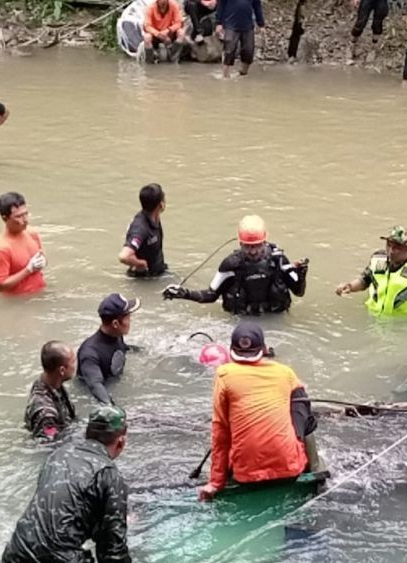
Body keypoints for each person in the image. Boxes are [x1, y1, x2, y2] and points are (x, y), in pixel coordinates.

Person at [198, 322, 322, 501]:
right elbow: (302, 411)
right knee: (302, 407)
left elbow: (220, 432)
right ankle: (315, 469)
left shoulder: (223, 374)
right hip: (291, 469)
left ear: (231, 350)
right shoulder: (285, 372)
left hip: (246, 476)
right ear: (264, 349)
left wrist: (216, 483)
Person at [2, 405, 131, 562]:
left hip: (16, 552)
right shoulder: (109, 474)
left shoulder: (57, 456)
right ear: (121, 441)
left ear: (86, 433)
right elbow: (113, 551)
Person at [162, 215, 309, 315]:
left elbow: (299, 292)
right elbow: (210, 295)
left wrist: (301, 276)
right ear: (240, 244)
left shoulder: (279, 261)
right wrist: (184, 293)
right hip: (242, 321)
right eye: (248, 246)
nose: (253, 251)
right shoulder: (231, 265)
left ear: (265, 242)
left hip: (276, 319)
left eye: (257, 246)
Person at [78, 294, 141, 404]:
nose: (130, 321)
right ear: (115, 324)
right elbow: (95, 385)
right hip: (91, 399)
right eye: (128, 318)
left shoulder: (117, 335)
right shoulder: (89, 353)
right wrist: (112, 407)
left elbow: (124, 348)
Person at [0, 192, 47, 296]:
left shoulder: (32, 234)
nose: (25, 220)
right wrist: (28, 270)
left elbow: (42, 257)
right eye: (19, 216)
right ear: (5, 218)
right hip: (19, 303)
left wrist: (43, 262)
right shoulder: (1, 248)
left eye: (26, 214)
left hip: (40, 295)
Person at [25, 341, 77, 442]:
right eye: (73, 362)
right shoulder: (46, 415)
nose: (75, 366)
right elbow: (50, 445)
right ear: (62, 370)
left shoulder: (50, 381)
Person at [118, 183, 167, 278]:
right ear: (160, 205)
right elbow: (124, 256)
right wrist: (140, 263)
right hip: (144, 279)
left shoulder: (153, 217)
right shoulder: (140, 228)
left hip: (158, 272)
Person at [216, 0, 265, 77]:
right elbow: (221, 5)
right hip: (230, 24)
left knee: (248, 50)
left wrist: (261, 24)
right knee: (229, 50)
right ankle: (225, 76)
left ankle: (243, 73)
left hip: (247, 25)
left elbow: (257, 7)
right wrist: (219, 23)